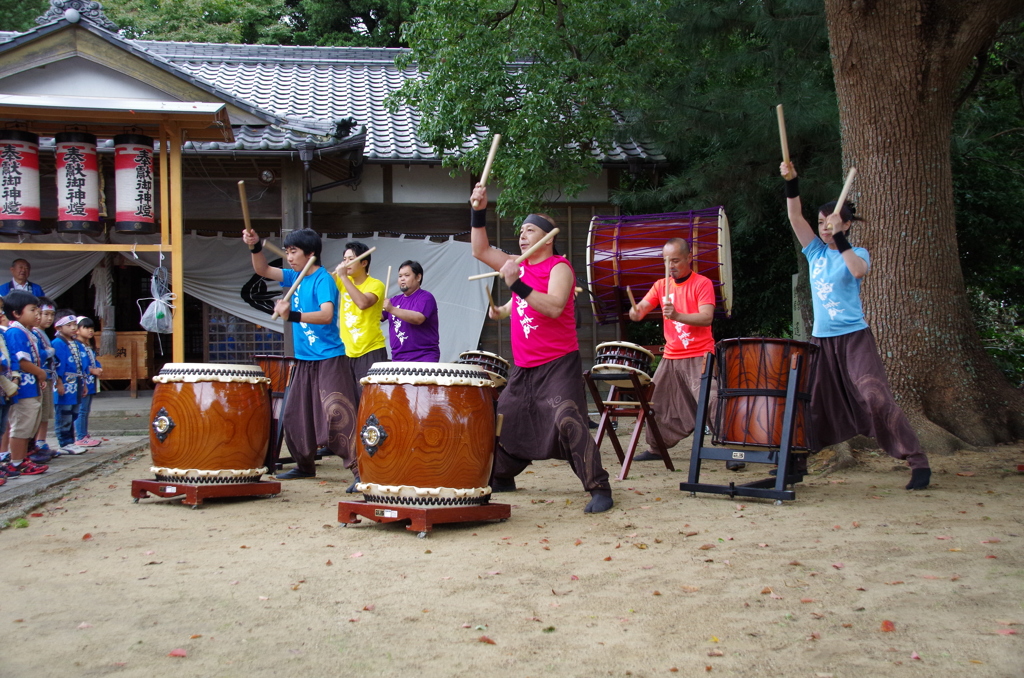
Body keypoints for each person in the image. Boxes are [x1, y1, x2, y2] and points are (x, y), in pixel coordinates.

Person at [781, 161, 930, 490]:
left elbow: (858, 271)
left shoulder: (856, 251)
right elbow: (795, 216)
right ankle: (794, 466)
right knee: (813, 403)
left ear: (845, 225)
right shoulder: (815, 253)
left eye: (830, 224)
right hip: (822, 343)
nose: (823, 229)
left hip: (853, 340)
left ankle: (917, 460)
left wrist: (841, 240)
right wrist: (792, 181)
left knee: (875, 396)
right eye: (821, 224)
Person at [469, 184, 614, 514]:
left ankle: (598, 486)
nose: (522, 236)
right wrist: (478, 210)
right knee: (502, 420)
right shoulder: (515, 265)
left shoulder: (559, 267)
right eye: (520, 231)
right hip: (523, 368)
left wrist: (515, 283)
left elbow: (552, 306)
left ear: (547, 238)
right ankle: (502, 475)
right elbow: (480, 250)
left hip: (558, 364)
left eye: (530, 230)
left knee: (567, 420)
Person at [241, 227, 360, 482]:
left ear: (311, 253)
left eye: (293, 251)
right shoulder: (293, 275)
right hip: (305, 359)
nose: (289, 256)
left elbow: (326, 315)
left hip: (329, 357)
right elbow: (262, 270)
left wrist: (291, 315)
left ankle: (360, 470)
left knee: (337, 411)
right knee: (294, 413)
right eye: (287, 251)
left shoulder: (322, 279)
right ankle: (305, 466)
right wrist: (254, 246)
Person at [627, 238, 744, 469]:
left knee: (710, 400)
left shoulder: (702, 284)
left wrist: (677, 315)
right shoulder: (661, 285)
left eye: (675, 260)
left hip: (699, 354)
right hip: (671, 356)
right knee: (655, 401)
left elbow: (706, 317)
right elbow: (641, 309)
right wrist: (635, 312)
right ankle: (657, 447)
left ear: (689, 258)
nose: (670, 265)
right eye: (666, 261)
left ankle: (730, 448)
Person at [0, 290, 49, 479]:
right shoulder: (15, 332)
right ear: (17, 313)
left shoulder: (28, 332)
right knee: (21, 426)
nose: (38, 314)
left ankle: (23, 457)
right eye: (33, 310)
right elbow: (21, 361)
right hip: (23, 389)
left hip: (32, 386)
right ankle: (17, 462)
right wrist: (40, 373)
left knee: (30, 425)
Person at [333, 241, 388, 387]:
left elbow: (363, 303)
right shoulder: (341, 280)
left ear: (363, 263)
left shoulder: (376, 284)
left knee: (369, 398)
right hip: (347, 351)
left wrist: (343, 277)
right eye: (344, 259)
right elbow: (318, 277)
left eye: (351, 259)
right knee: (348, 400)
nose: (346, 263)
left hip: (371, 349)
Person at [383, 261, 440, 363]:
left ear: (418, 277)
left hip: (423, 356)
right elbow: (378, 316)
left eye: (406, 275)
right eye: (400, 276)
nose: (402, 279)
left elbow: (418, 318)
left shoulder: (426, 297)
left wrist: (391, 309)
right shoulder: (394, 300)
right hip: (398, 357)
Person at [51, 310, 86, 456]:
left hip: (76, 381)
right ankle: (64, 442)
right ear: (58, 328)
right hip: (64, 382)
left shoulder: (76, 343)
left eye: (74, 325)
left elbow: (81, 365)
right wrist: (58, 382)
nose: (73, 328)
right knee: (64, 413)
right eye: (68, 325)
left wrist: (83, 383)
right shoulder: (58, 343)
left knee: (74, 412)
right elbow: (56, 364)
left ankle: (70, 441)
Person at [31, 297, 58, 463]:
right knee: (36, 413)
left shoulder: (42, 334)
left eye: (51, 314)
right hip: (39, 376)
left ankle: (41, 442)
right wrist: (49, 352)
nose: (48, 318)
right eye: (44, 314)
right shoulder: (33, 333)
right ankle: (35, 444)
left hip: (47, 377)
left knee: (44, 413)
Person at [73, 317, 102, 447]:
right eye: (86, 328)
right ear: (77, 330)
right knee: (82, 410)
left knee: (85, 409)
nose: (90, 331)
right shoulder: (76, 346)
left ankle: (84, 434)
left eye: (92, 328)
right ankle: (80, 436)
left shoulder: (88, 346)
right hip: (82, 381)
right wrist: (92, 370)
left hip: (89, 382)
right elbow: (79, 365)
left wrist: (98, 367)